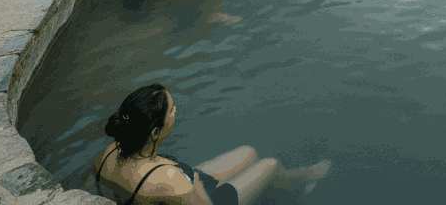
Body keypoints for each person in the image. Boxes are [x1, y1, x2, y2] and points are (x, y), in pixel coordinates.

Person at [92, 84, 330, 204]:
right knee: (270, 164)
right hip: (200, 196)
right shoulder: (172, 181)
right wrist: (194, 184)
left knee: (248, 152)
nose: (176, 111)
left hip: (178, 183)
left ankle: (284, 181)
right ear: (155, 132)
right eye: (172, 110)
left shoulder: (108, 153)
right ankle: (300, 182)